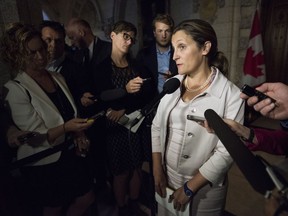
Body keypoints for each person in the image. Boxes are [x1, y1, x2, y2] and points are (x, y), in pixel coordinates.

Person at [151, 19, 244, 215]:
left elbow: (226, 151)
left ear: (205, 48)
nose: (174, 56)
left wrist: (190, 186)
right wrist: (157, 169)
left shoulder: (232, 95)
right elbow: (157, 126)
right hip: (166, 177)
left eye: (182, 47)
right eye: (174, 48)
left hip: (205, 187)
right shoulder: (173, 84)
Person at [1, 23, 95, 216]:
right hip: (43, 161)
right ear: (18, 56)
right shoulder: (15, 89)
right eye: (32, 53)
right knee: (54, 208)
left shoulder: (57, 76)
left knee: (87, 197)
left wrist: (79, 132)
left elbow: (71, 113)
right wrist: (67, 128)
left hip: (68, 153)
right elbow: (35, 137)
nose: (41, 56)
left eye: (42, 49)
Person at [83, 20, 151, 216]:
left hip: (134, 123)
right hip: (114, 128)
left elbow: (145, 95)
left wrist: (124, 107)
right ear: (113, 35)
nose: (129, 42)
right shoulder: (100, 67)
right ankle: (122, 208)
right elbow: (100, 96)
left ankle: (134, 203)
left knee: (137, 167)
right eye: (125, 36)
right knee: (120, 172)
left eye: (132, 38)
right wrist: (122, 97)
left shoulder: (137, 65)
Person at [39, 20, 88, 104]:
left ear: (63, 43)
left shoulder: (76, 69)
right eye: (48, 40)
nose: (53, 45)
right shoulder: (33, 68)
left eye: (58, 41)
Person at [136, 14, 178, 95]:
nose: (164, 35)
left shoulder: (179, 53)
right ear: (154, 33)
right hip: (150, 101)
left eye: (167, 31)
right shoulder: (143, 55)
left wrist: (175, 77)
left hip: (174, 98)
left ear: (172, 32)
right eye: (160, 31)